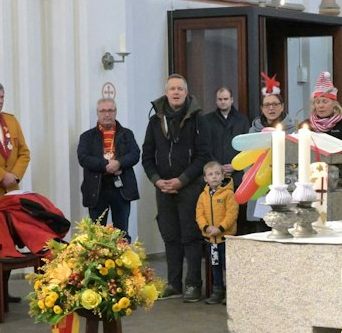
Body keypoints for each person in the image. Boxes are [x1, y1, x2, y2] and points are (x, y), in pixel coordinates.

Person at [141, 74, 206, 301]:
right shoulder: (154, 121)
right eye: (172, 89)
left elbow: (203, 156)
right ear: (166, 92)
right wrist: (157, 180)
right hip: (163, 188)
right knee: (170, 237)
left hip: (189, 186)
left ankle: (193, 285)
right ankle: (174, 284)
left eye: (180, 89)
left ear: (186, 92)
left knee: (190, 237)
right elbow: (147, 156)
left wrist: (182, 180)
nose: (176, 92)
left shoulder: (199, 119)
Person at [77, 96, 140, 234]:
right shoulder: (86, 137)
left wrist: (119, 163)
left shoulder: (127, 134)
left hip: (121, 188)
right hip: (96, 189)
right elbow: (83, 158)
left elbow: (135, 154)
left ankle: (123, 256)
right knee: (96, 233)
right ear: (97, 113)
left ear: (116, 112)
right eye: (103, 111)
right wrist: (106, 165)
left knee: (121, 233)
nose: (107, 114)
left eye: (110, 110)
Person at [195, 161, 237, 305]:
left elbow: (232, 214)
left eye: (217, 174)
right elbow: (199, 214)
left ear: (222, 175)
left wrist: (220, 228)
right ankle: (217, 291)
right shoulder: (203, 196)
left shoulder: (228, 194)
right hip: (211, 240)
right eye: (210, 174)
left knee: (227, 266)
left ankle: (230, 292)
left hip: (225, 238)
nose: (214, 177)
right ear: (205, 178)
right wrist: (206, 228)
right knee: (215, 266)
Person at [200, 85, 255, 180]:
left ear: (232, 100)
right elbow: (205, 146)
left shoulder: (242, 120)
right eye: (220, 99)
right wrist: (217, 166)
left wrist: (235, 165)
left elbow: (247, 147)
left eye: (226, 99)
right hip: (214, 175)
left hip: (238, 174)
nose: (223, 102)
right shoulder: (207, 120)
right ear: (216, 101)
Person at [304, 72, 342, 145]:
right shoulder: (306, 125)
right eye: (317, 102)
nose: (321, 105)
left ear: (334, 104)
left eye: (325, 102)